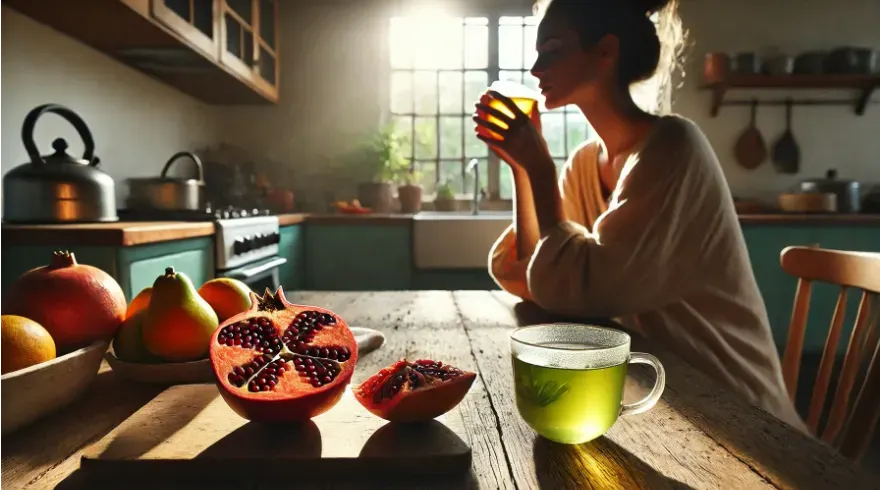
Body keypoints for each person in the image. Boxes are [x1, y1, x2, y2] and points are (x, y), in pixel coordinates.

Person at [473, 0, 808, 433]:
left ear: (605, 52)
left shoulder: (674, 148)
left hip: (737, 409)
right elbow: (530, 275)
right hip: (657, 397)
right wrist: (521, 170)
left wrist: (540, 170)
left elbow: (584, 288)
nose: (536, 68)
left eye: (552, 50)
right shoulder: (585, 164)